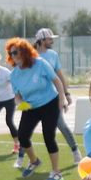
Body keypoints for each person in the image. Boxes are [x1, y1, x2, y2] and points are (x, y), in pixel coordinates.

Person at [7, 37, 64, 180]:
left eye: (16, 52)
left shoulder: (40, 64)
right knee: (22, 136)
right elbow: (17, 95)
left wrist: (62, 99)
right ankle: (34, 161)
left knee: (48, 137)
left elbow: (56, 80)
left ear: (25, 52)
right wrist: (21, 104)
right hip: (31, 107)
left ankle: (56, 172)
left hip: (50, 103)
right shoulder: (13, 75)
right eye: (11, 53)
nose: (13, 56)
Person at [32, 28, 82, 165]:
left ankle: (76, 152)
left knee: (61, 125)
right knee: (27, 127)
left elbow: (60, 76)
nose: (52, 41)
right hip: (35, 99)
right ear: (41, 40)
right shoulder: (31, 55)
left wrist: (66, 94)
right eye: (49, 39)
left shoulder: (53, 55)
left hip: (52, 98)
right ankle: (24, 157)